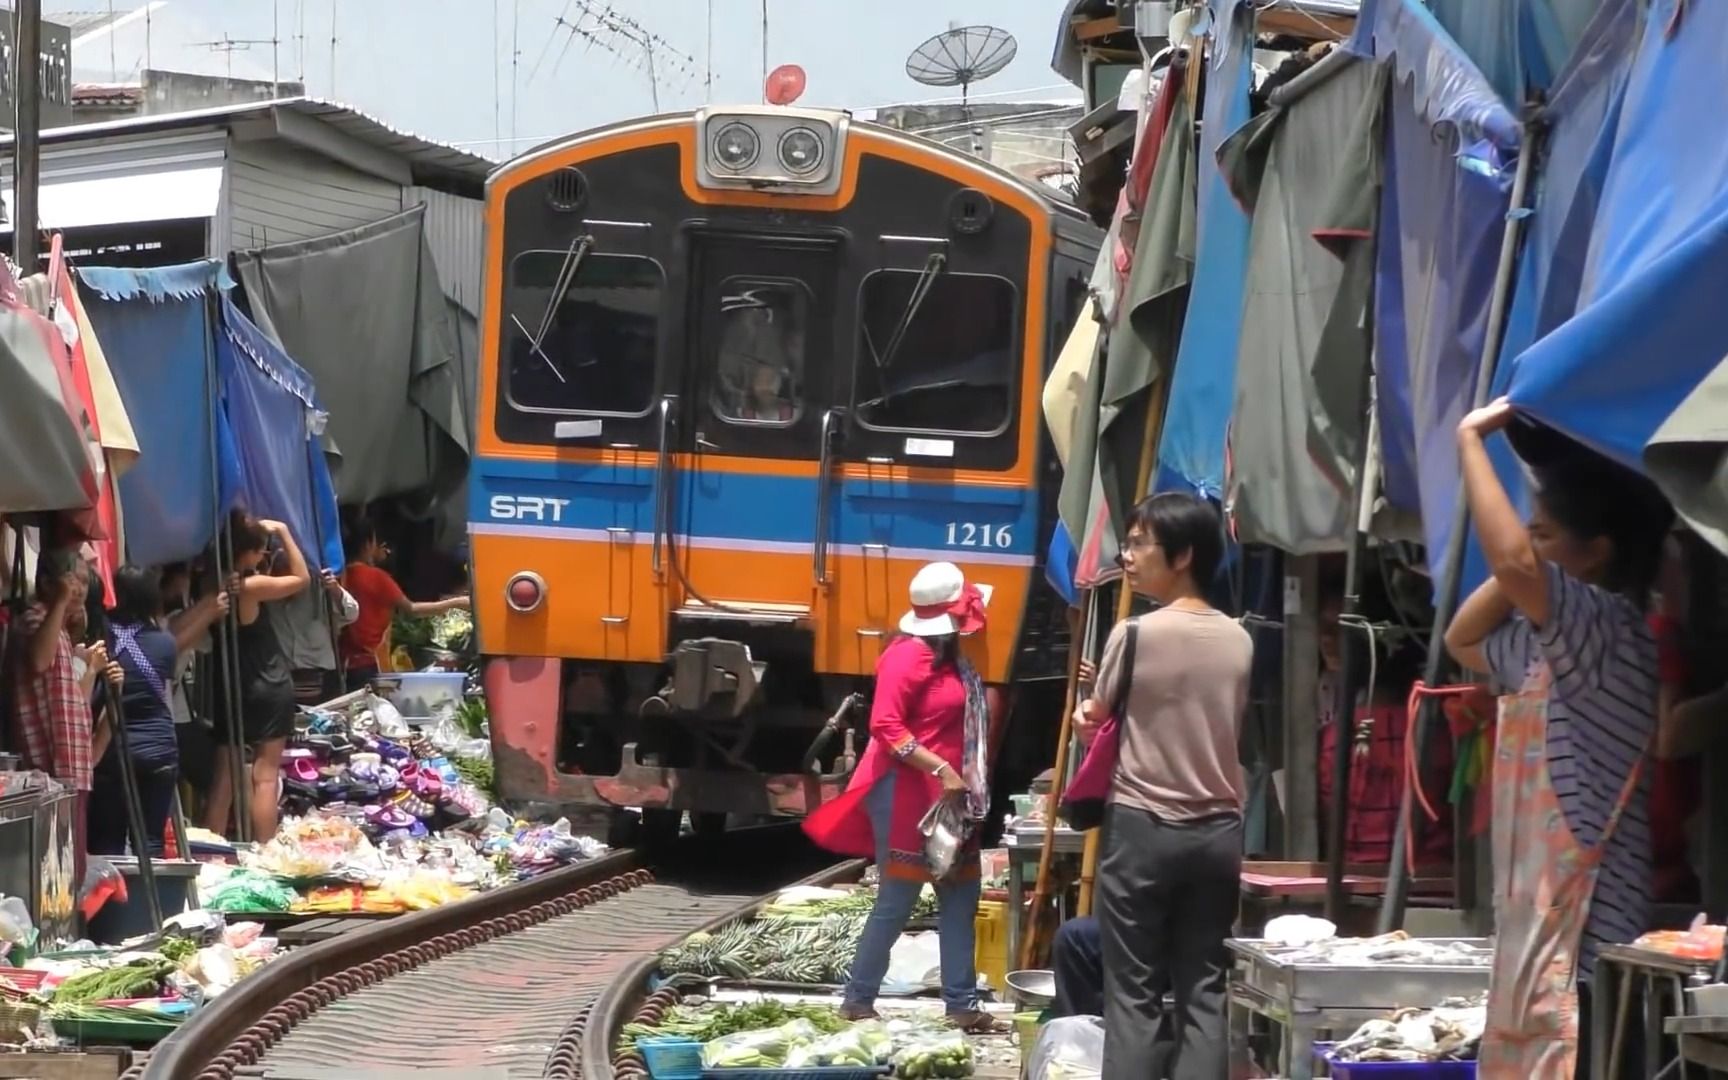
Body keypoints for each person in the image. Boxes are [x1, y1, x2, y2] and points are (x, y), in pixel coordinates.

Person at [1445, 399, 1672, 1077]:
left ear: (1597, 552)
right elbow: (1463, 639)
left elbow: (1517, 567)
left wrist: (1471, 442)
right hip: (1538, 942)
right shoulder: (1545, 645)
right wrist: (1530, 557)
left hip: (1591, 944)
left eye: (1545, 534)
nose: (1527, 547)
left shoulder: (1605, 630)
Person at [1075, 492, 1252, 1079]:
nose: (1127, 556)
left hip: (1143, 828)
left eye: (1138, 544)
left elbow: (1097, 716)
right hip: (1219, 832)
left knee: (1134, 991)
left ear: (1183, 555)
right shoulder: (1239, 638)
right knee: (1205, 986)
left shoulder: (1135, 633)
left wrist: (1083, 718)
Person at [803, 561, 1002, 1032]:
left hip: (951, 797)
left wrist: (956, 778)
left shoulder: (952, 659)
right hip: (909, 792)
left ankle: (961, 1004)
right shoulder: (906, 657)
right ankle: (858, 998)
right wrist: (941, 768)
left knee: (961, 894)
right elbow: (885, 726)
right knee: (898, 899)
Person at [7, 548, 113, 873]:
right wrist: (61, 603)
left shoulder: (62, 634)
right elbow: (39, 661)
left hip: (71, 766)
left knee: (72, 863)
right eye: (71, 580)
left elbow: (74, 701)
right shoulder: (36, 618)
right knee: (56, 869)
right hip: (48, 767)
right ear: (47, 583)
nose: (78, 589)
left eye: (83, 582)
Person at [203, 515, 308, 842]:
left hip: (231, 685)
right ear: (246, 551)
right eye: (261, 550)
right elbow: (302, 578)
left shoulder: (211, 583)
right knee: (265, 776)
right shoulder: (250, 587)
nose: (264, 555)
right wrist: (284, 532)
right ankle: (265, 849)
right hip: (267, 682)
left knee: (224, 778)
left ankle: (210, 849)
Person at [87, 567, 186, 856]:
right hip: (159, 749)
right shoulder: (166, 643)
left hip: (112, 751)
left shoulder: (100, 635)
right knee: (151, 840)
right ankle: (147, 885)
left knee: (108, 841)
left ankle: (114, 887)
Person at [339, 517, 469, 691]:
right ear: (367, 544)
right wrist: (456, 602)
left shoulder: (340, 576)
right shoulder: (376, 577)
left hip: (342, 664)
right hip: (367, 663)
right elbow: (412, 609)